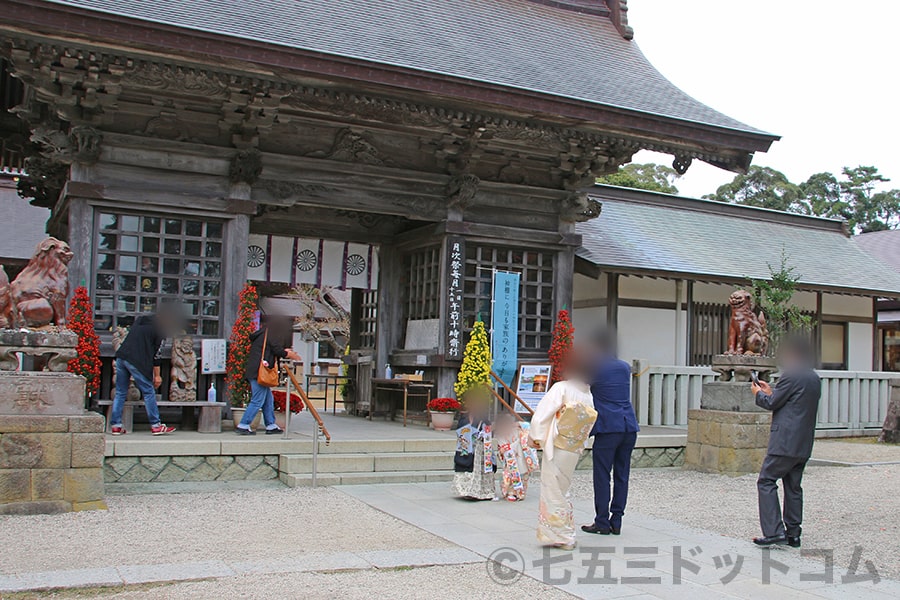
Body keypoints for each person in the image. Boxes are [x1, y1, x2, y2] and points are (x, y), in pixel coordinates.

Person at [750, 335, 821, 547]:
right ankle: (793, 534)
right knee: (793, 486)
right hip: (803, 442)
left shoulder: (791, 375)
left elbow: (771, 403)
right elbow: (792, 402)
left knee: (766, 480)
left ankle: (773, 532)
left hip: (784, 441)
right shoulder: (813, 378)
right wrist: (772, 391)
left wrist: (758, 394)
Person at [529, 350, 597, 550]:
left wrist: (535, 437)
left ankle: (563, 536)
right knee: (562, 489)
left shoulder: (563, 388)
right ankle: (564, 533)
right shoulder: (588, 394)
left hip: (557, 445)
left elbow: (543, 414)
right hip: (573, 447)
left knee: (553, 490)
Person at [582, 329, 639, 536]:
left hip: (608, 427)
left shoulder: (593, 368)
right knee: (622, 475)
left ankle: (602, 522)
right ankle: (617, 521)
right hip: (629, 425)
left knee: (602, 475)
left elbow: (580, 389)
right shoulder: (624, 367)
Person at [110, 307, 179, 436]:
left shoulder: (140, 321)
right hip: (137, 361)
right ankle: (156, 425)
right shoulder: (159, 331)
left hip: (122, 357)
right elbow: (156, 355)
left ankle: (116, 426)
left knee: (120, 392)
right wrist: (157, 376)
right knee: (148, 391)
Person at [238, 317, 302, 435]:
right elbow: (277, 350)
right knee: (257, 400)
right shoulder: (271, 335)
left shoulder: (262, 335)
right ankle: (243, 424)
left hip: (256, 371)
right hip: (260, 373)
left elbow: (272, 349)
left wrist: (285, 351)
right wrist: (290, 354)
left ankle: (271, 425)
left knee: (268, 399)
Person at [452, 401, 496, 500]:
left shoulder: (484, 420)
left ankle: (481, 492)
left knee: (479, 471)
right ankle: (466, 491)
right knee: (466, 468)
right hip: (466, 447)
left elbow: (489, 433)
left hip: (479, 449)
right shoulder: (464, 419)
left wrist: (483, 434)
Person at [495, 413, 538, 502]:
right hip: (510, 458)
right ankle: (510, 493)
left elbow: (528, 426)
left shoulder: (518, 430)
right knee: (508, 475)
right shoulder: (500, 435)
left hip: (520, 456)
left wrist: (519, 424)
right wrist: (502, 451)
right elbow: (501, 448)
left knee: (523, 475)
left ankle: (520, 493)